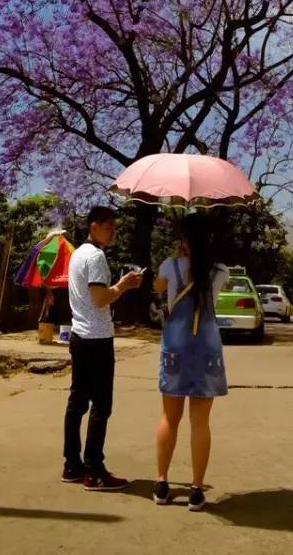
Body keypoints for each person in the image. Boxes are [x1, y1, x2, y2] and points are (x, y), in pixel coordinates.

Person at [62, 205, 143, 490]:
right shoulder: (95, 257)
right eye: (109, 226)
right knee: (101, 405)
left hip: (79, 335)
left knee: (77, 401)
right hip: (96, 338)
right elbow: (99, 298)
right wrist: (123, 285)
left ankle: (72, 464)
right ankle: (94, 470)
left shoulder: (77, 255)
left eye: (115, 227)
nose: (113, 232)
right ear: (93, 226)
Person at [152, 213, 229, 512]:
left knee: (169, 418)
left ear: (184, 240)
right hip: (207, 350)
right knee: (201, 423)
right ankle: (196, 490)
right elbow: (212, 294)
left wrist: (177, 257)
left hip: (175, 349)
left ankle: (161, 483)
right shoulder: (219, 271)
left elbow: (159, 288)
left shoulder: (169, 267)